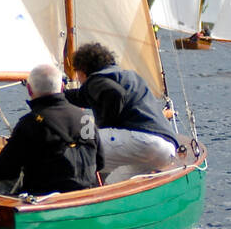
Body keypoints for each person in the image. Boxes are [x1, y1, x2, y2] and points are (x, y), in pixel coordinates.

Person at [0, 63, 103, 197]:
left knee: (2, 185)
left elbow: (4, 170)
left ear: (29, 90)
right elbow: (100, 162)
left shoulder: (29, 124)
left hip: (45, 200)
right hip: (84, 196)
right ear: (62, 87)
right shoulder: (85, 118)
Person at [65, 42, 181, 183]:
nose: (77, 78)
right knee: (112, 184)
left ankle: (61, 192)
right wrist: (59, 95)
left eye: (77, 73)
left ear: (82, 70)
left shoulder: (96, 80)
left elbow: (114, 94)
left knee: (78, 146)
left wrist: (106, 126)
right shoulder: (127, 76)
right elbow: (82, 97)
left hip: (142, 141)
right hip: (166, 150)